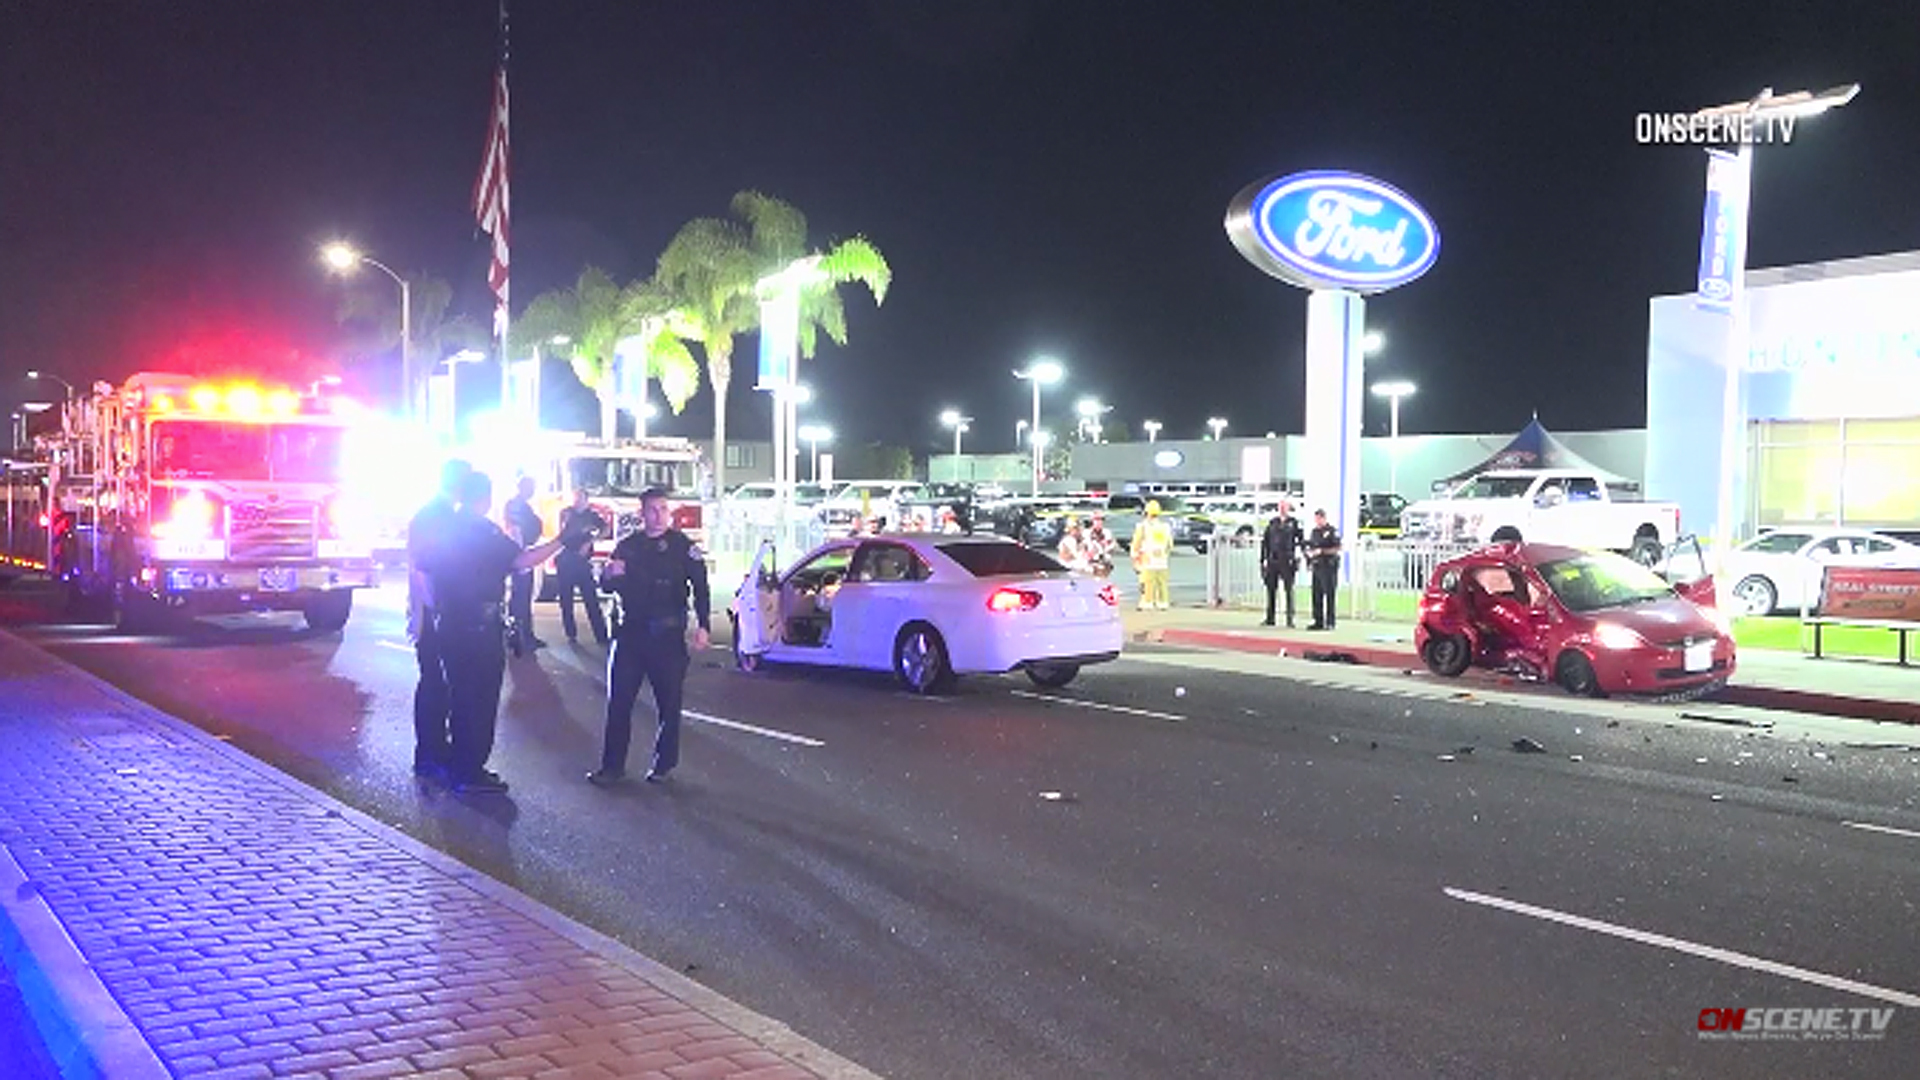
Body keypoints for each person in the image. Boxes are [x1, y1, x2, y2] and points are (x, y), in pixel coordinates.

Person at [423, 470, 572, 794]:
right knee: (480, 699)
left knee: (459, 697)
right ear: (486, 498)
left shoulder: (444, 526)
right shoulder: (483, 530)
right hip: (478, 627)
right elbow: (521, 561)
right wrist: (561, 541)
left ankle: (458, 766)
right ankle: (470, 770)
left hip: (449, 623)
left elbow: (425, 567)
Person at [590, 486, 712, 786]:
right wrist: (608, 575)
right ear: (641, 513)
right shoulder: (628, 547)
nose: (658, 516)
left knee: (668, 705)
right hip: (630, 634)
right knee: (619, 702)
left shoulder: (683, 547)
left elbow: (701, 587)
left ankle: (663, 766)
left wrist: (704, 625)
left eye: (663, 510)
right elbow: (608, 587)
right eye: (652, 510)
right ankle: (612, 767)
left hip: (667, 636)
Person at [406, 459, 473, 781]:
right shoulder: (439, 516)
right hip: (435, 614)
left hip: (434, 612)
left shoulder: (435, 512)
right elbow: (423, 569)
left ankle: (432, 750)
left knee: (438, 684)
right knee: (435, 684)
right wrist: (436, 612)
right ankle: (430, 754)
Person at [555, 488, 609, 645]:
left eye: (580, 498)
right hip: (566, 559)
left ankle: (601, 636)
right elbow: (562, 533)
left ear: (586, 500)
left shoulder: (592, 516)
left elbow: (605, 530)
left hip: (582, 561)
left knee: (591, 599)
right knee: (566, 600)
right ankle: (571, 634)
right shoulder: (566, 512)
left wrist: (591, 541)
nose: (576, 500)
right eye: (575, 497)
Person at [502, 475, 546, 654]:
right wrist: (521, 554)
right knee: (521, 596)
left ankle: (524, 634)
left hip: (523, 551)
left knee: (523, 596)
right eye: (531, 487)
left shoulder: (520, 506)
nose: (533, 490)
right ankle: (519, 635)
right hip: (520, 554)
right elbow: (515, 530)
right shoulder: (516, 506)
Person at [1260, 501, 1305, 627]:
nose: (1282, 509)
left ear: (1289, 508)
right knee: (1271, 589)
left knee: (1289, 589)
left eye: (1284, 507)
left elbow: (1300, 540)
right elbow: (1266, 541)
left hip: (1287, 559)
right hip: (1273, 559)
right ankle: (1270, 618)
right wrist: (1263, 559)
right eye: (1280, 507)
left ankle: (1290, 619)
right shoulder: (1273, 522)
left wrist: (1301, 556)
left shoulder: (1294, 523)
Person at [1131, 501, 1174, 610]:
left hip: (1147, 560)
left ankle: (1147, 602)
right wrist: (1164, 554)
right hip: (1162, 561)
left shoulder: (1142, 526)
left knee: (1147, 583)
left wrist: (1135, 557)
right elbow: (1170, 544)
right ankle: (1162, 602)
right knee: (1162, 583)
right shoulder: (1165, 527)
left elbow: (1136, 543)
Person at [1305, 508, 1342, 631]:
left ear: (1324, 518)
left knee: (1330, 594)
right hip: (1317, 566)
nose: (1317, 521)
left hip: (1329, 566)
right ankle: (1318, 620)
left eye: (1319, 518)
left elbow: (1337, 548)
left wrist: (1322, 551)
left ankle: (1330, 622)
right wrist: (1309, 558)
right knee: (1316, 594)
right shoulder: (1314, 532)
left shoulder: (1332, 531)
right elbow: (1312, 546)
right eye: (1316, 519)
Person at [1084, 514, 1116, 578]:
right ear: (1092, 521)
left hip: (1104, 560)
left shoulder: (1107, 532)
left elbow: (1111, 544)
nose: (1099, 522)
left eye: (1100, 520)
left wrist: (1107, 548)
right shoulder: (1086, 533)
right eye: (1096, 520)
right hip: (1091, 561)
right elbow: (1084, 546)